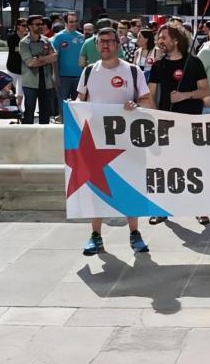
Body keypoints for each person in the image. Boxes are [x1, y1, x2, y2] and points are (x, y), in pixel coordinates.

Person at [75, 27, 154, 256]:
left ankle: (134, 233)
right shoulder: (90, 71)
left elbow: (147, 102)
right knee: (96, 188)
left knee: (131, 186)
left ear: (118, 44)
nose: (105, 45)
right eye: (101, 42)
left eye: (110, 41)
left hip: (127, 140)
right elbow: (80, 100)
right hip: (96, 140)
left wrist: (136, 107)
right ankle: (95, 235)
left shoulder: (132, 70)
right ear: (96, 45)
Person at [148, 25, 210, 226]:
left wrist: (185, 95)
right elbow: (150, 94)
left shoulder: (194, 63)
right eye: (159, 38)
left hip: (191, 122)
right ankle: (162, 208)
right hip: (166, 123)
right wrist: (155, 113)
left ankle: (199, 208)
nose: (160, 41)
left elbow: (205, 91)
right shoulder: (158, 66)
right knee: (165, 167)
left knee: (194, 166)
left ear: (176, 40)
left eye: (164, 37)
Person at [18, 15, 57, 124]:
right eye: (37, 24)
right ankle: (28, 137)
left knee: (45, 112)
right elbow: (30, 63)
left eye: (42, 24)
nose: (41, 26)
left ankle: (44, 136)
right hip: (30, 83)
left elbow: (54, 56)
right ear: (30, 26)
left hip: (46, 81)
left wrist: (39, 58)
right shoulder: (24, 43)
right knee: (29, 111)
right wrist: (45, 59)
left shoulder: (46, 40)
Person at [51, 12, 85, 106]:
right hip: (63, 77)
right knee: (62, 105)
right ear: (65, 23)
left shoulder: (82, 37)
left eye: (75, 21)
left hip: (79, 77)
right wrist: (56, 76)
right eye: (71, 22)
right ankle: (63, 121)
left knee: (78, 105)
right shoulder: (58, 37)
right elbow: (54, 58)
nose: (74, 24)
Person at [6, 18, 27, 106]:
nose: (25, 28)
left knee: (21, 90)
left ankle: (19, 107)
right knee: (10, 88)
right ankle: (9, 106)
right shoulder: (12, 37)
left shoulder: (27, 37)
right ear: (18, 26)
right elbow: (16, 49)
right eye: (23, 25)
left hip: (24, 68)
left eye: (26, 26)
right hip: (13, 67)